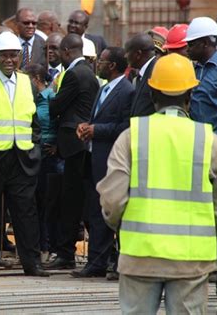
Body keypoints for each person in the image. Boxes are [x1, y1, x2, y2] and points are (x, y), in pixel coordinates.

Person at [97, 52, 217, 314]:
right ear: (190, 95)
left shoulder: (131, 138)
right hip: (191, 262)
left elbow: (112, 200)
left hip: (139, 257)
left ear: (151, 94)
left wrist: (122, 229)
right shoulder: (211, 144)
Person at [0, 31, 48, 277]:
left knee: (25, 211)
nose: (9, 61)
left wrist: (34, 146)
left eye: (14, 56)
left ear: (20, 57)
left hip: (22, 157)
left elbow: (34, 121)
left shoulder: (26, 83)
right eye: (4, 56)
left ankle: (31, 263)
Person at [75, 47, 134, 278]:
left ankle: (104, 262)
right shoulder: (103, 88)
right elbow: (97, 118)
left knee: (106, 211)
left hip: (110, 160)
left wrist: (96, 130)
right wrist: (86, 126)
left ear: (111, 66)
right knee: (94, 211)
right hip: (94, 158)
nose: (97, 64)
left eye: (101, 61)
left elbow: (125, 126)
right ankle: (97, 261)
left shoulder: (127, 91)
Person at [46, 33, 99, 270]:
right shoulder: (89, 72)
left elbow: (56, 107)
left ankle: (66, 254)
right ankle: (89, 252)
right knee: (81, 199)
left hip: (74, 144)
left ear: (67, 51)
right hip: (82, 143)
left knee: (71, 201)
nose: (57, 56)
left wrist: (50, 93)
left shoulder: (74, 74)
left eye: (59, 51)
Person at [24, 63, 63, 264]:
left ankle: (50, 246)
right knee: (37, 203)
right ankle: (41, 246)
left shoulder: (51, 98)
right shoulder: (31, 99)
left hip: (51, 158)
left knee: (50, 204)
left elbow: (60, 123)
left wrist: (57, 145)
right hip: (35, 154)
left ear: (37, 79)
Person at [185, 17, 217, 148]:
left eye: (191, 44)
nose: (187, 49)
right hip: (197, 148)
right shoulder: (192, 70)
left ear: (205, 43)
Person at [125, 33, 157, 117]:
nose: (125, 56)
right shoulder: (143, 74)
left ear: (138, 54)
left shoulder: (156, 72)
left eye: (127, 52)